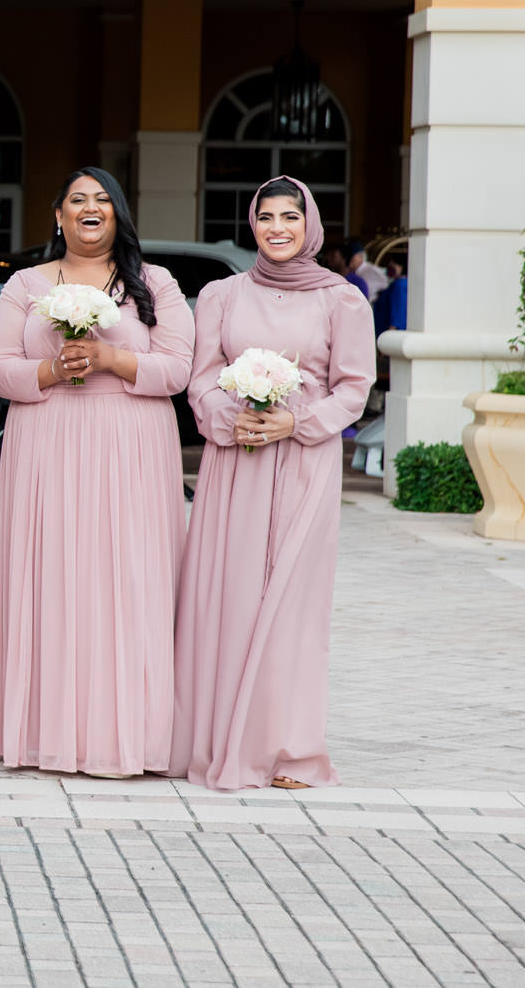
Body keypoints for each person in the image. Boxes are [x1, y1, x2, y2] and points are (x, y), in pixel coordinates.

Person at [170, 175, 376, 792]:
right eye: (266, 218)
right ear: (251, 224)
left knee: (290, 604)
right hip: (235, 463)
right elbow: (199, 379)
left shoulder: (342, 301)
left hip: (304, 463)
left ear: (309, 224)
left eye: (291, 217)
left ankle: (288, 750)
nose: (277, 228)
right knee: (228, 600)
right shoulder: (220, 295)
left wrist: (296, 420)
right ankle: (214, 741)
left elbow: (354, 388)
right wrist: (233, 420)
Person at [0, 168, 193, 777]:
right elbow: (0, 370)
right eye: (77, 200)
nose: (89, 208)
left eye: (102, 200)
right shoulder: (26, 284)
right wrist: (52, 372)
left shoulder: (154, 283)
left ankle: (130, 734)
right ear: (59, 216)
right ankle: (50, 733)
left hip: (129, 444)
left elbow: (177, 368)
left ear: (120, 215)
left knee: (127, 580)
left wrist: (110, 358)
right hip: (48, 443)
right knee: (53, 577)